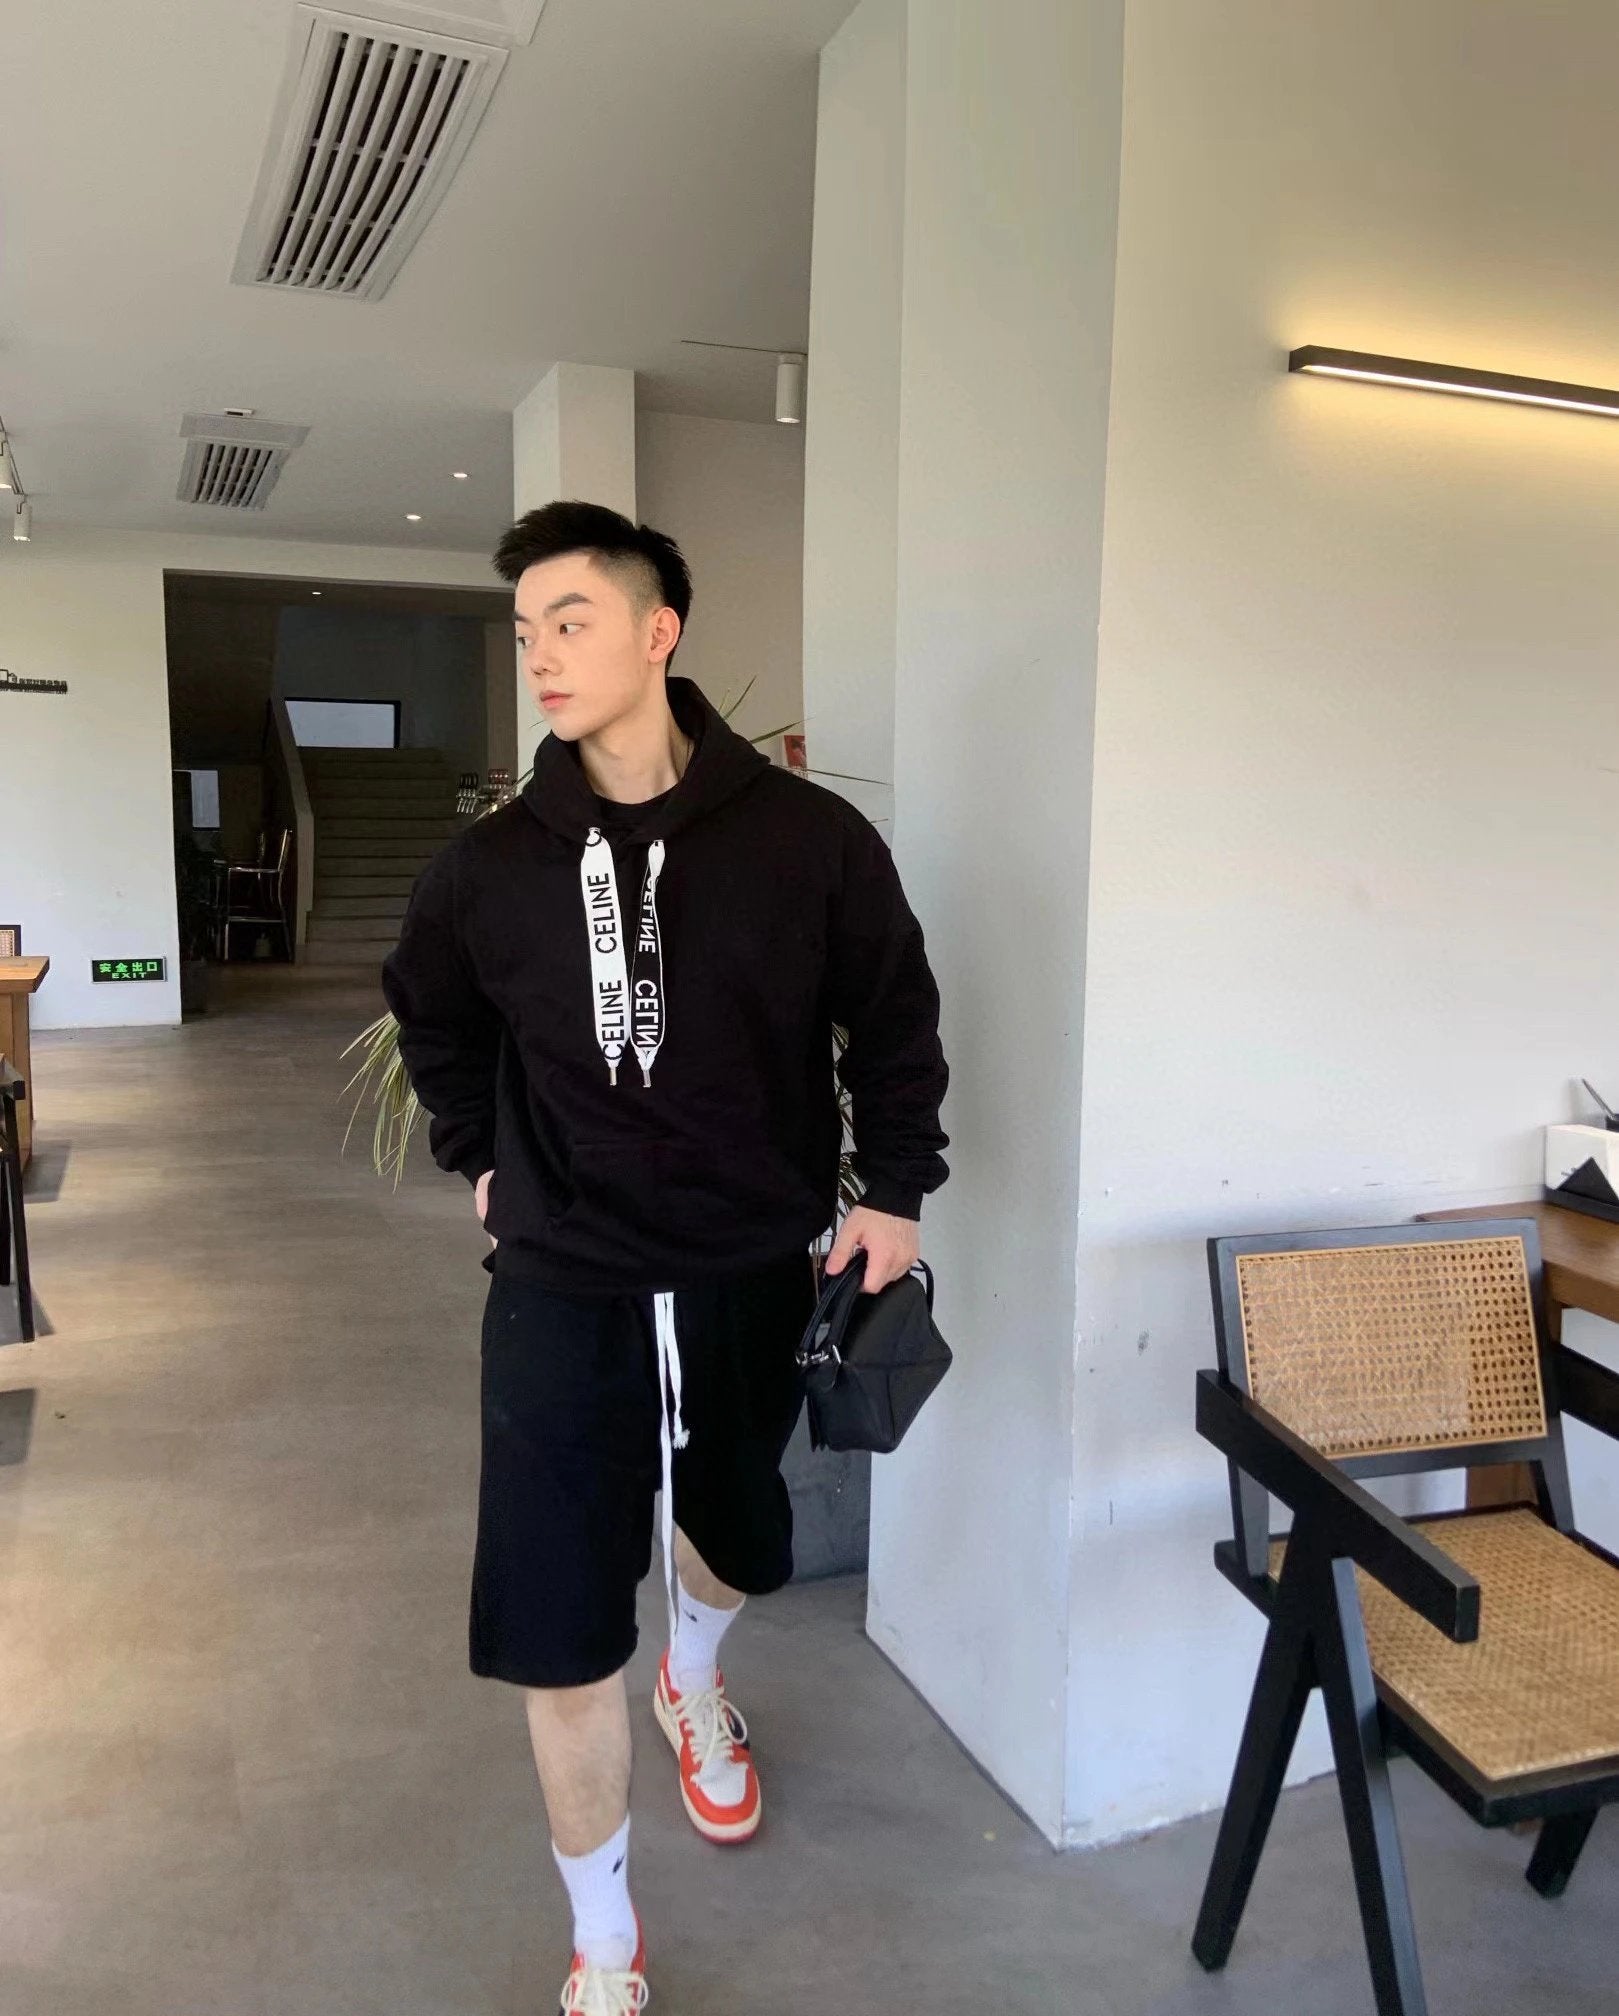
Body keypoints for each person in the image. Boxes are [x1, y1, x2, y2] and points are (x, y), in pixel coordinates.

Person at [382, 499, 948, 2014]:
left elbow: (894, 1014)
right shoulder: (491, 869)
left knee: (736, 1534)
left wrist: (894, 1189)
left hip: (745, 1263)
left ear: (658, 631)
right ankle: (606, 1945)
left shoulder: (808, 845)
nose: (541, 655)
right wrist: (480, 1154)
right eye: (526, 632)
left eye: (570, 622)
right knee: (560, 1629)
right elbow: (433, 1012)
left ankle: (695, 1680)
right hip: (560, 1281)